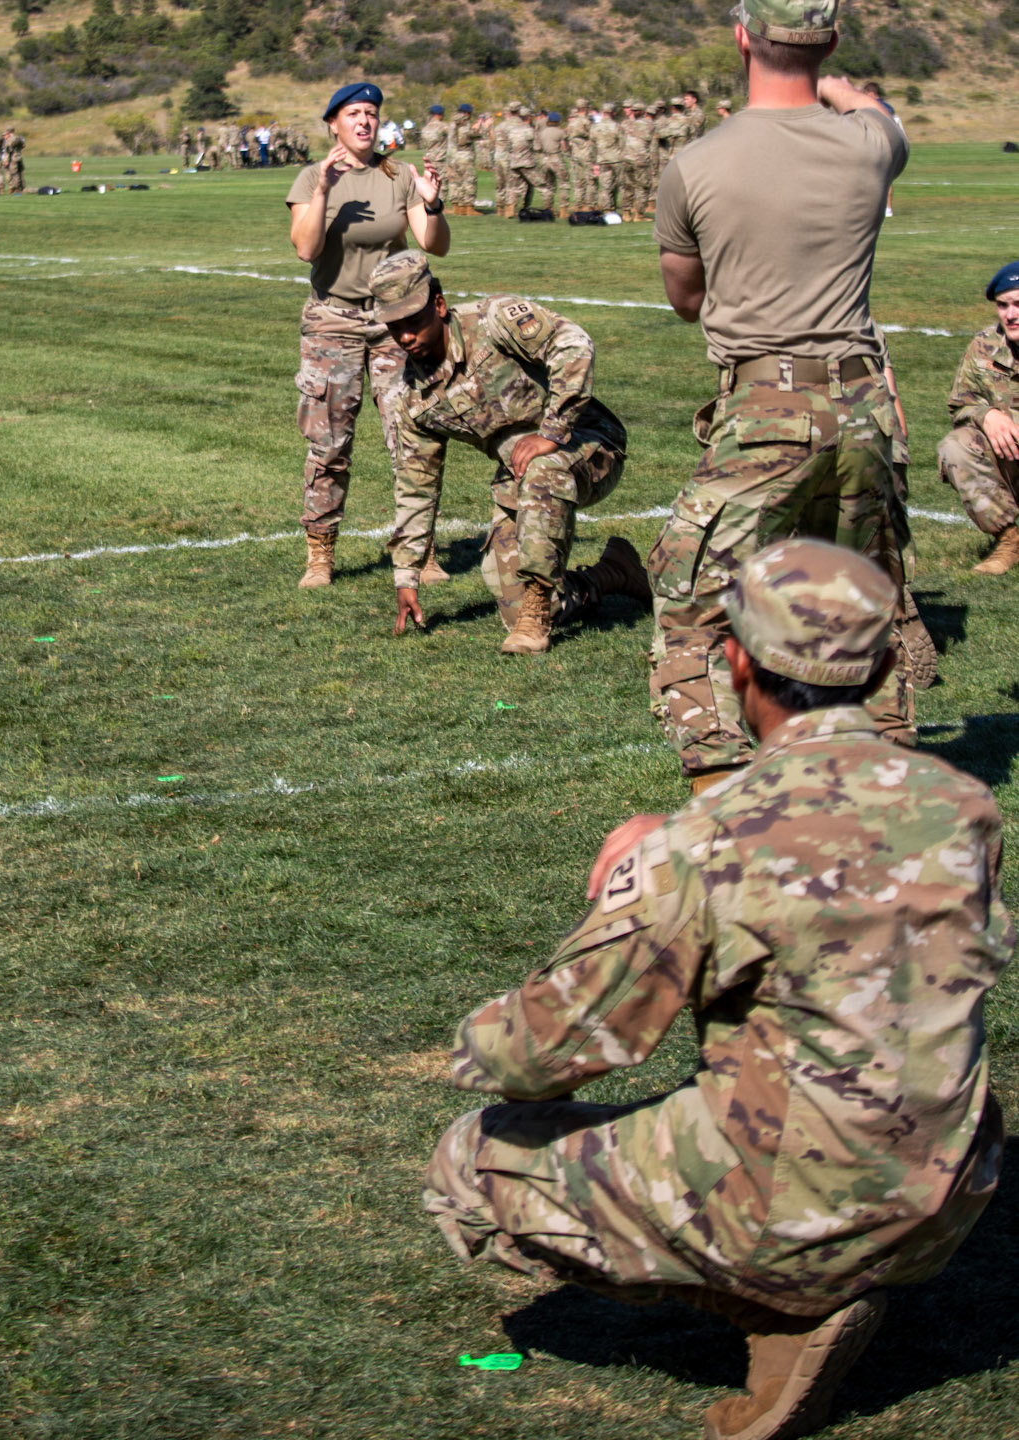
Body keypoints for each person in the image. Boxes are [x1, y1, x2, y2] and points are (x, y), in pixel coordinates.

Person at [424, 538, 1012, 1440]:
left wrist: (633, 887)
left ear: (735, 660)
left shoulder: (708, 841)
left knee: (471, 1160)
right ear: (883, 666)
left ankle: (780, 1305)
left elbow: (536, 1055)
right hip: (953, 1191)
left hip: (799, 1203)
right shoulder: (961, 804)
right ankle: (806, 1278)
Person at [647, 0, 914, 787]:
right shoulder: (871, 145)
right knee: (860, 603)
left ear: (740, 37)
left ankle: (724, 800)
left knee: (693, 602)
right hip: (864, 405)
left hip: (764, 404)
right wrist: (835, 86)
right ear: (828, 42)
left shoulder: (695, 165)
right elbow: (875, 112)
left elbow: (685, 298)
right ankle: (888, 793)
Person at [374, 250, 649, 652]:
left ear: (439, 304)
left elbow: (574, 345)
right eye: (394, 326)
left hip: (590, 445)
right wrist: (406, 576)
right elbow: (416, 485)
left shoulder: (495, 320)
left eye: (412, 321)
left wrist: (552, 431)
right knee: (511, 605)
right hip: (521, 477)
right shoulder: (412, 396)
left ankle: (536, 619)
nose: (405, 337)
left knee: (542, 469)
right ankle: (613, 573)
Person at [286, 80, 450, 589]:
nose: (364, 121)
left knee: (411, 437)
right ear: (333, 124)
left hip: (392, 323)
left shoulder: (398, 175)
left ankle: (419, 550)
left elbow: (435, 245)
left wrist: (433, 204)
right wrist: (323, 192)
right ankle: (320, 553)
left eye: (371, 113)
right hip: (332, 321)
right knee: (329, 443)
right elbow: (305, 250)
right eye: (354, 113)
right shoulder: (312, 177)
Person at [938, 259, 1019, 574]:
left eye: (1018, 305)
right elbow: (960, 405)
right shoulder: (985, 345)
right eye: (1003, 305)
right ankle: (1010, 540)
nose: (1010, 315)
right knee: (956, 446)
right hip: (1011, 458)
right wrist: (986, 415)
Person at [445, 102, 478, 215]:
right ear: (467, 113)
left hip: (451, 156)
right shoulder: (463, 123)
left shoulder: (452, 123)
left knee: (455, 182)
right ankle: (469, 208)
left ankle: (458, 207)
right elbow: (464, 139)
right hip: (463, 155)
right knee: (468, 180)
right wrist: (477, 130)